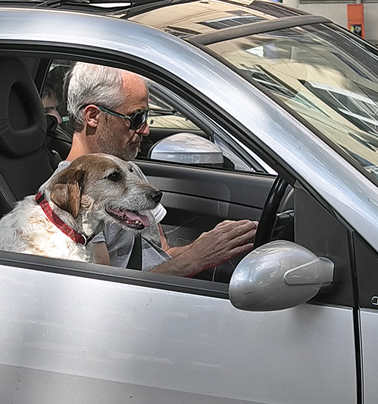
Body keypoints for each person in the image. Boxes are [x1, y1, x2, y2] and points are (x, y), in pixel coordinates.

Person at [64, 63, 255, 276]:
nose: (145, 129)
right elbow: (103, 291)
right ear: (93, 116)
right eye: (136, 117)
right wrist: (196, 257)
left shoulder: (130, 171)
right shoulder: (73, 193)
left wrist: (206, 246)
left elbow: (161, 254)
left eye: (147, 116)